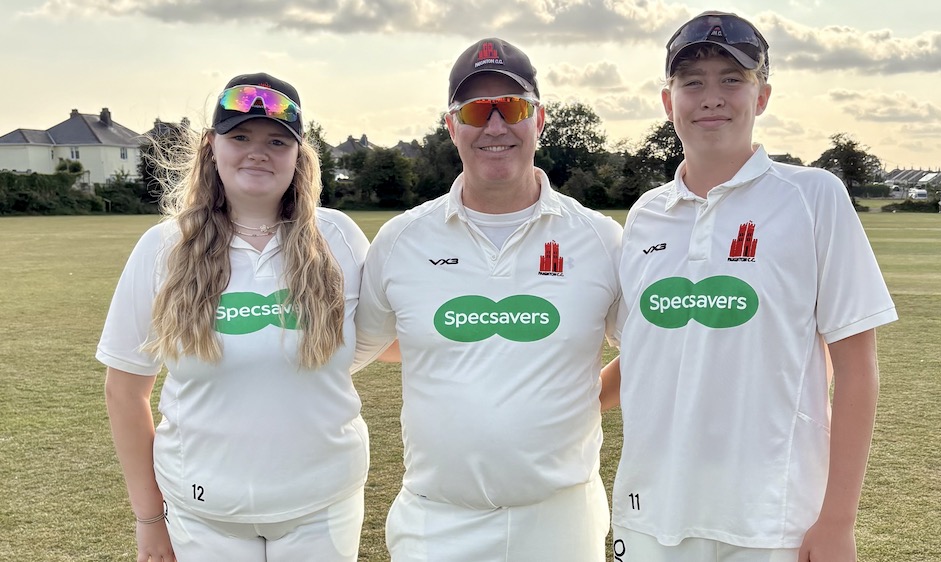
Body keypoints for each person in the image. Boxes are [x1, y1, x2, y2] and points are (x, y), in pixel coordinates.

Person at [600, 12, 898, 562]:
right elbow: (650, 347)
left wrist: (837, 521)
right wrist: (568, 405)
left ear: (761, 96)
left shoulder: (813, 197)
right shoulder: (645, 215)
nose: (711, 96)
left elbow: (857, 367)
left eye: (731, 79)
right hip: (649, 516)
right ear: (669, 102)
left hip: (771, 519)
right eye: (692, 82)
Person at [353, 38, 622, 561]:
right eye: (477, 110)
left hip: (561, 518)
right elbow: (355, 348)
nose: (495, 126)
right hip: (436, 520)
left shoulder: (599, 239)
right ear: (452, 125)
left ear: (539, 119)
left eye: (513, 107)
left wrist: (580, 400)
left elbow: (652, 348)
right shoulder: (403, 239)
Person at [98, 73, 381, 562]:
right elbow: (125, 389)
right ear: (211, 148)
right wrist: (149, 520)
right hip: (203, 512)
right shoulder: (163, 249)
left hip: (323, 506)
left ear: (299, 155)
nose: (259, 152)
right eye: (240, 137)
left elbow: (373, 337)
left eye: (277, 140)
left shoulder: (340, 238)